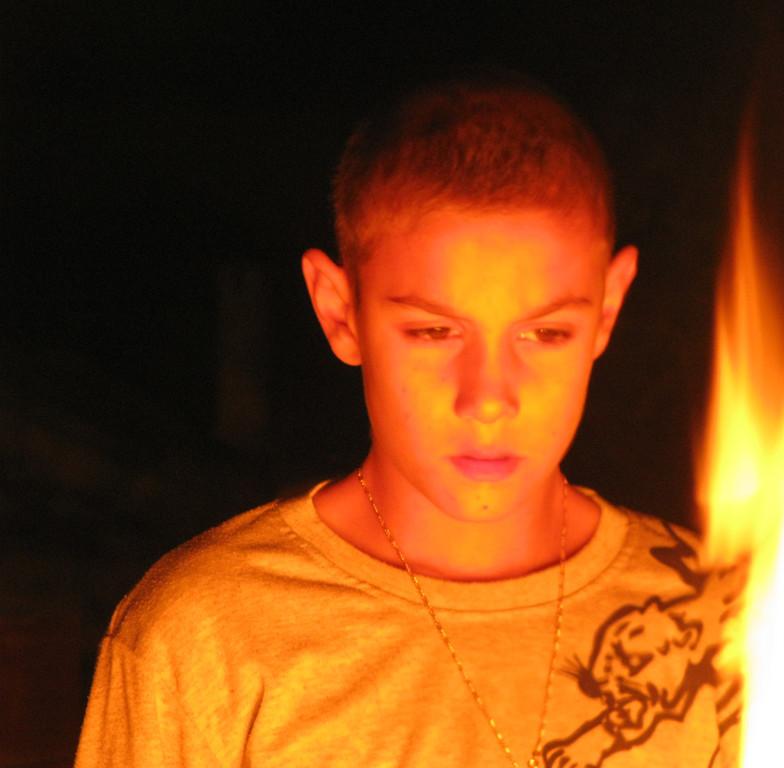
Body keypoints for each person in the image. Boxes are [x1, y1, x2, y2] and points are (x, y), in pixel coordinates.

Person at [75, 74, 741, 768]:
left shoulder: (721, 625)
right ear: (340, 311)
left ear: (607, 308)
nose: (488, 398)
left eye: (545, 335)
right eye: (432, 332)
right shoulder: (204, 638)